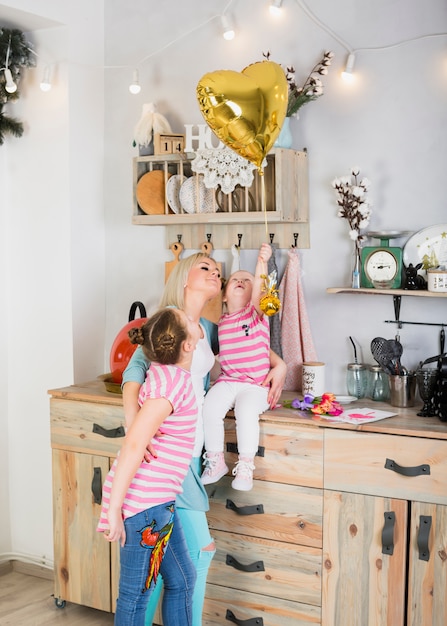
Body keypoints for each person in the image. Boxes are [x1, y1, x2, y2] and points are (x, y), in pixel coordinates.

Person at [122, 252, 287, 626]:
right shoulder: (167, 320)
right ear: (184, 278)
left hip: (189, 455)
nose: (216, 272)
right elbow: (134, 370)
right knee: (198, 553)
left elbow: (247, 348)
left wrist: (280, 365)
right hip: (167, 456)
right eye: (205, 267)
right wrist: (136, 426)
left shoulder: (210, 328)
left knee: (164, 561)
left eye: (218, 270)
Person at [97, 307, 201, 626]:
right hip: (144, 506)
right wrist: (114, 509)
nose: (195, 321)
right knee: (135, 596)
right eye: (190, 320)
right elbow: (133, 444)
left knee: (183, 580)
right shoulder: (171, 386)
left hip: (159, 504)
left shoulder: (166, 372)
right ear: (186, 345)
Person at [201, 243, 273, 491]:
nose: (241, 280)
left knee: (246, 411)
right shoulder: (221, 321)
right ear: (223, 295)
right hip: (228, 380)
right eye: (235, 280)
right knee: (209, 407)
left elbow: (259, 293)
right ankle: (215, 460)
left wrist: (261, 263)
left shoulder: (255, 315)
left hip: (255, 386)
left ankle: (245, 465)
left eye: (247, 280)